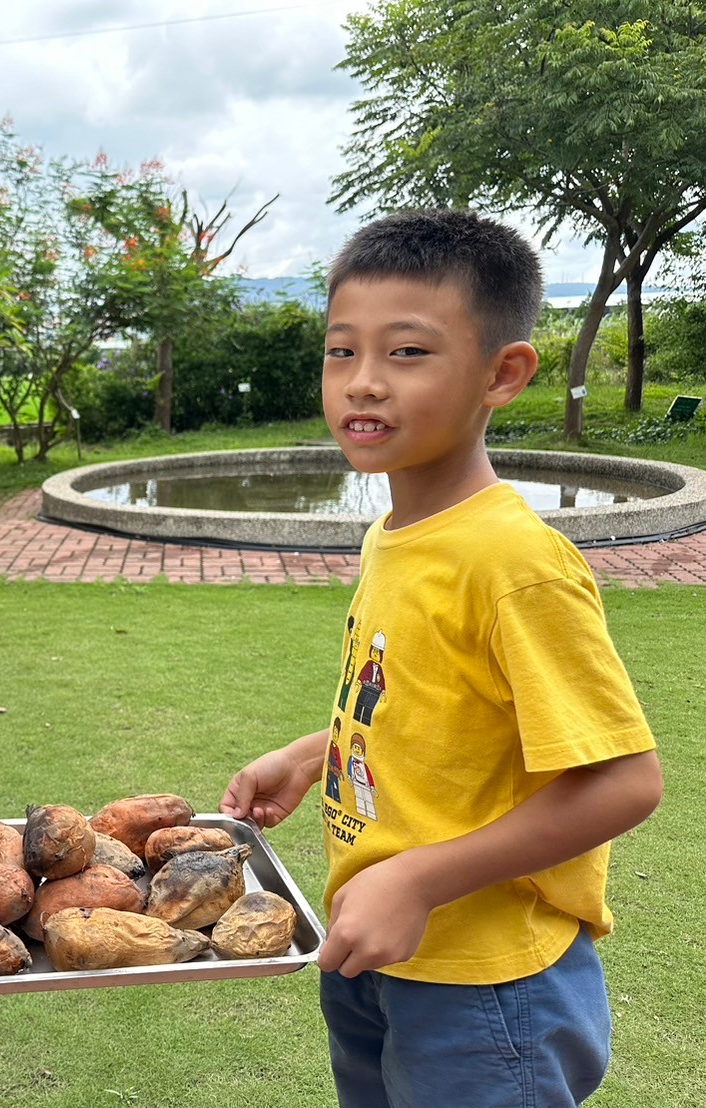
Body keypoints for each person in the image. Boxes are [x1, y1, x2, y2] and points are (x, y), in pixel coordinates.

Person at [220, 209, 663, 1107]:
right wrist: (312, 755)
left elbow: (625, 781)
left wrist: (418, 878)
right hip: (375, 943)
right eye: (341, 351)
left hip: (484, 981)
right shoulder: (396, 532)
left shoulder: (512, 561)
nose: (364, 384)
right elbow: (427, 704)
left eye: (408, 353)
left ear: (502, 374)